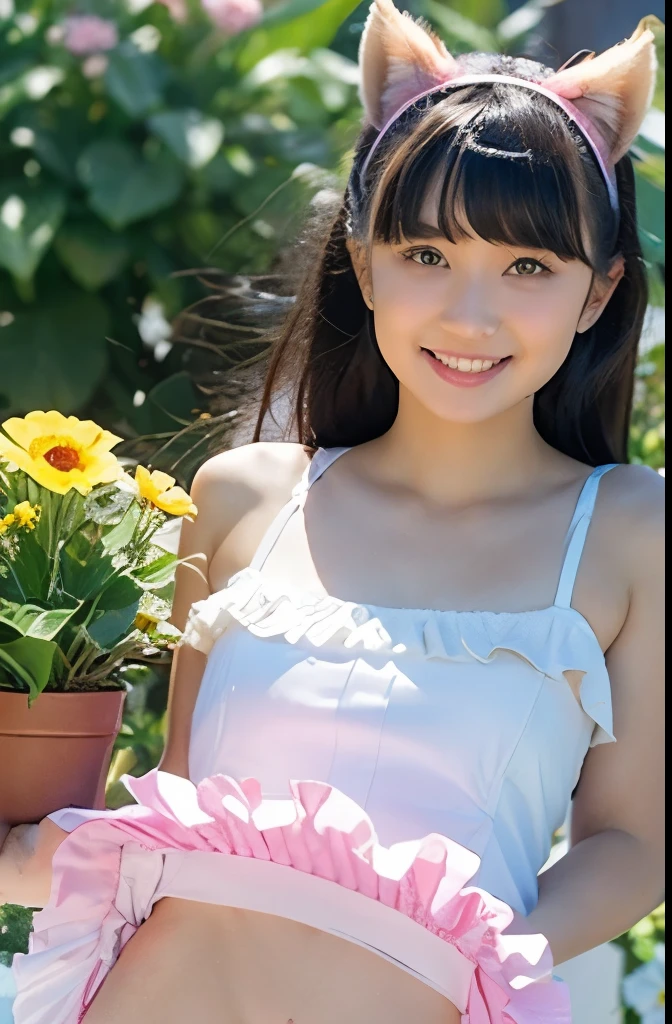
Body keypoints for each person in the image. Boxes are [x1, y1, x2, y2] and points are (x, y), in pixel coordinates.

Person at [1, 2, 664, 1022]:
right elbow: (181, 802)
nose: (470, 314)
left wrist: (470, 946)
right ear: (363, 261)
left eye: (527, 267)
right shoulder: (244, 498)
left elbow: (633, 844)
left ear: (597, 291)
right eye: (427, 255)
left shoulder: (629, 531)